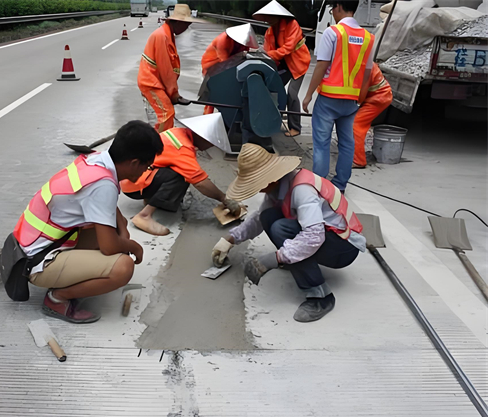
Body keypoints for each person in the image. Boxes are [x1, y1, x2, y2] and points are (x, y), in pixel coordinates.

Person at [11, 121, 163, 323]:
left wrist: (122, 229)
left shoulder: (95, 160)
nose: (146, 171)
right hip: (38, 261)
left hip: (31, 246)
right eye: (147, 166)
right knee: (123, 266)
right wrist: (133, 246)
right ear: (135, 163)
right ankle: (57, 299)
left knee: (116, 232)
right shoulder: (103, 185)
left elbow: (108, 208)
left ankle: (70, 278)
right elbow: (109, 247)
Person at [211, 143, 366, 322]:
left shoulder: (302, 189)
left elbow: (314, 236)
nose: (258, 189)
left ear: (270, 179)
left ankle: (320, 297)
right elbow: (260, 217)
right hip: (326, 237)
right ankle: (293, 260)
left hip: (344, 247)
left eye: (257, 184)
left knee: (281, 228)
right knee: (268, 216)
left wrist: (275, 258)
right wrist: (230, 239)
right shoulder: (279, 185)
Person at [121, 113, 243, 236]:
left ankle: (150, 198)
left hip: (134, 177)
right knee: (180, 176)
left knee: (174, 169)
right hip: (135, 184)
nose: (209, 146)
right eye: (211, 142)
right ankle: (144, 215)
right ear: (202, 137)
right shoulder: (182, 147)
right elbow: (200, 182)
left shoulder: (177, 132)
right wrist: (224, 199)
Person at [302, 0, 375, 193]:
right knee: (347, 144)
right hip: (351, 101)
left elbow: (321, 65)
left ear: (338, 7)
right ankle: (340, 185)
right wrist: (360, 97)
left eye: (332, 8)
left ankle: (320, 187)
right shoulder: (368, 38)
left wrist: (308, 95)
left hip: (329, 98)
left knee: (322, 144)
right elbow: (367, 72)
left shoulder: (332, 32)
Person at [138, 4, 203, 133]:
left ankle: (160, 138)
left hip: (156, 81)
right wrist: (174, 95)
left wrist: (172, 94)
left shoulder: (167, 35)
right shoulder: (162, 36)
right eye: (186, 24)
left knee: (165, 114)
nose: (187, 28)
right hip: (150, 82)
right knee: (166, 114)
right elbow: (166, 71)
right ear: (178, 22)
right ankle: (159, 142)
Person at [253, 0, 311, 138]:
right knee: (273, 88)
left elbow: (287, 48)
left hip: (298, 63)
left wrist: (269, 54)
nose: (267, 19)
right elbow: (268, 51)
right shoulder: (270, 31)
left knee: (292, 94)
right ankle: (276, 117)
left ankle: (295, 127)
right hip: (283, 64)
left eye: (270, 16)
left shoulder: (292, 25)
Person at [201, 23, 259, 115]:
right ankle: (207, 115)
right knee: (213, 93)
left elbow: (244, 54)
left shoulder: (243, 42)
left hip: (228, 62)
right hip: (213, 64)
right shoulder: (222, 40)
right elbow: (224, 62)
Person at [353, 63, 393, 168]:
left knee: (356, 125)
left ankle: (358, 161)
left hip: (378, 98)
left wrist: (356, 105)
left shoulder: (364, 66)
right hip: (377, 95)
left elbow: (361, 94)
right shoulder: (363, 61)